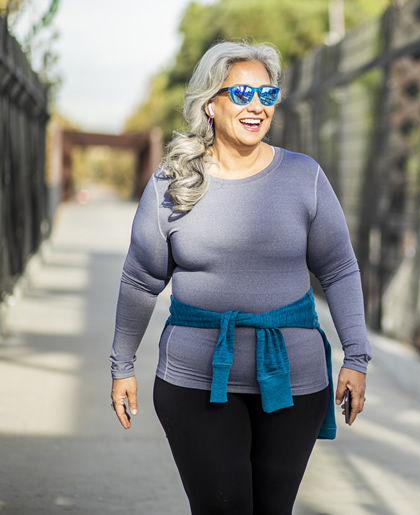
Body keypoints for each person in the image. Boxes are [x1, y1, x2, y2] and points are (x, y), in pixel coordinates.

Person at [108, 41, 371, 515]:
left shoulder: (304, 176)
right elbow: (141, 279)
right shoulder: (172, 182)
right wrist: (121, 364)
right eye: (243, 93)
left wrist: (357, 356)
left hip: (295, 383)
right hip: (194, 382)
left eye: (267, 95)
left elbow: (339, 268)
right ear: (210, 103)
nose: (256, 106)